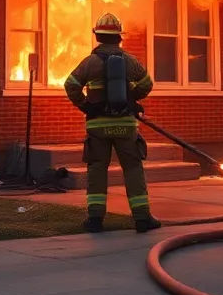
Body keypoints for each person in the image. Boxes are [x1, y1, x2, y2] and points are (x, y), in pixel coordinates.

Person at [64, 12, 161, 234]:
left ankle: (95, 219)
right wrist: (131, 98)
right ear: (119, 37)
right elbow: (147, 83)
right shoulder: (129, 61)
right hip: (126, 125)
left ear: (97, 36)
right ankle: (142, 218)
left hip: (98, 126)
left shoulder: (90, 62)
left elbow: (71, 85)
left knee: (97, 168)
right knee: (133, 168)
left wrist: (86, 105)